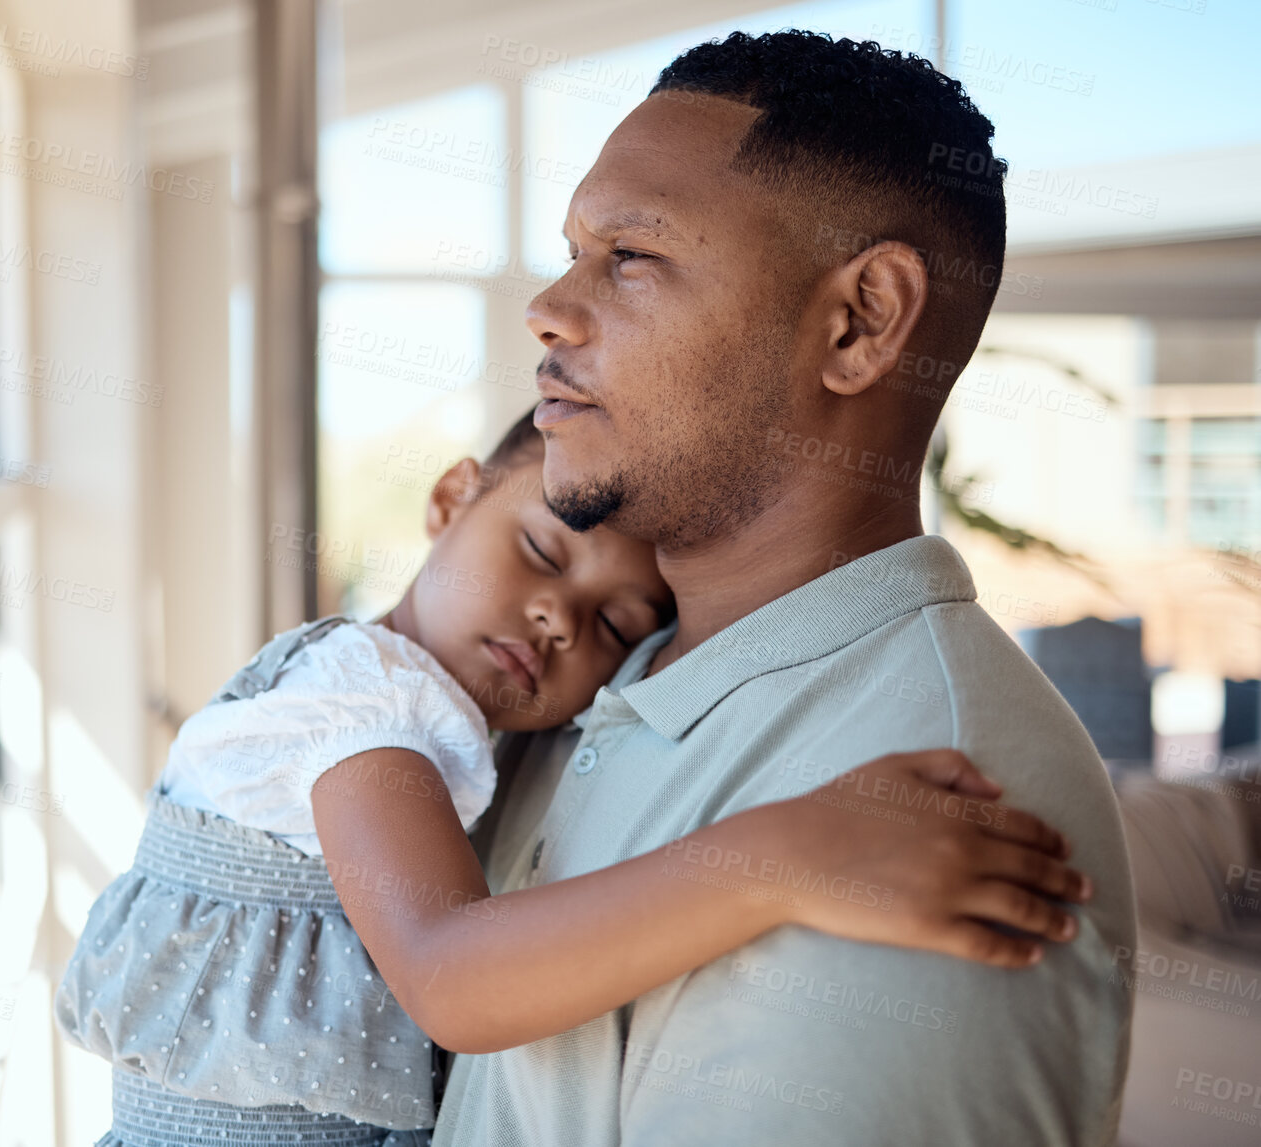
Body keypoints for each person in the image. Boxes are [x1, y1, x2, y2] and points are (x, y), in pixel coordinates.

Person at [431, 30, 1137, 1147]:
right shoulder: (584, 670)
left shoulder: (937, 805)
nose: (549, 309)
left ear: (857, 323)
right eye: (570, 250)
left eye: (629, 257)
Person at [56, 410, 1091, 1147]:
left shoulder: (426, 712)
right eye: (542, 551)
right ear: (450, 497)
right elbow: (451, 974)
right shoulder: (366, 709)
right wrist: (785, 855)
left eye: (614, 626)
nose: (559, 617)